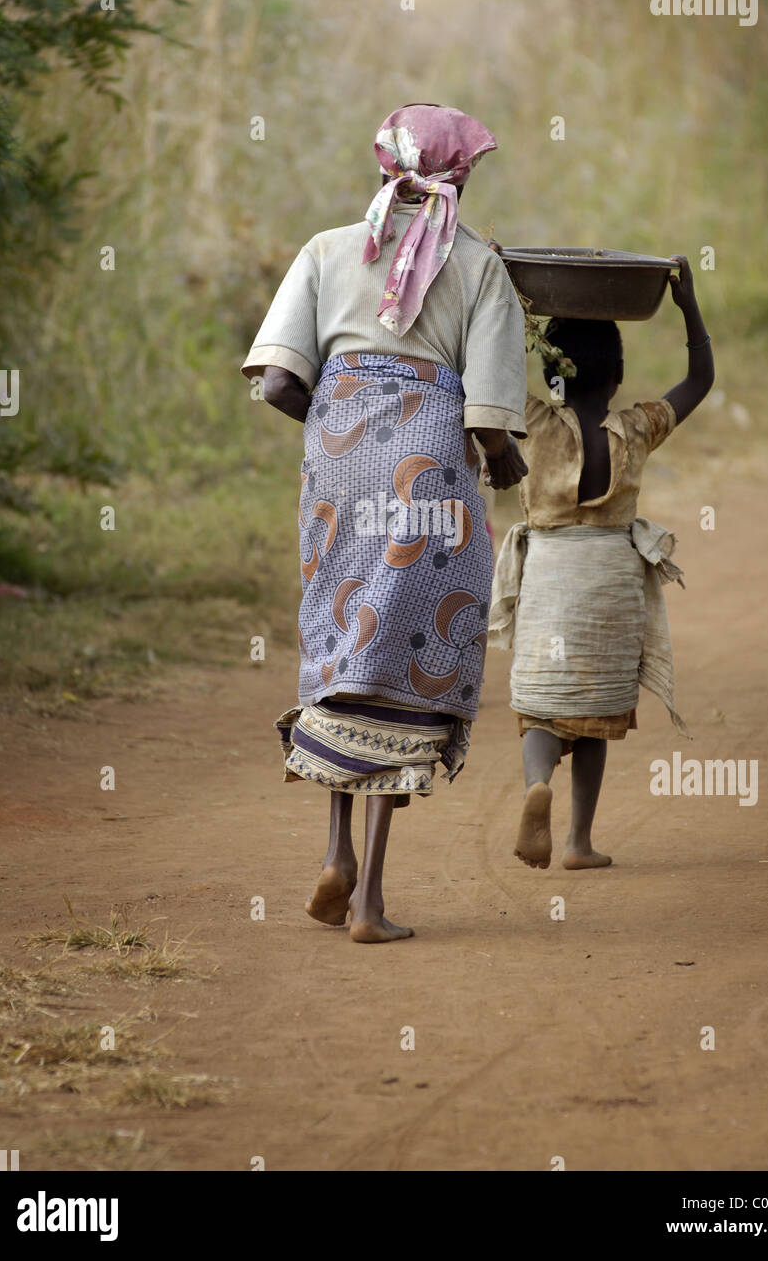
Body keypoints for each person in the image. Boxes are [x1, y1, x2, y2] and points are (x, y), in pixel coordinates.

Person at [242, 103, 528, 941]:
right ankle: (368, 900)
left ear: (382, 165)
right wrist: (503, 459)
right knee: (403, 654)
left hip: (338, 455)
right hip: (430, 463)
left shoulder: (327, 250)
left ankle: (334, 855)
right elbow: (488, 419)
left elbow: (276, 384)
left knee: (342, 637)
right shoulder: (480, 267)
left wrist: (345, 432)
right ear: (462, 177)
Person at [489, 256, 714, 871]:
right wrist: (687, 305)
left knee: (542, 703)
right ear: (617, 374)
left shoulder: (531, 420)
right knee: (598, 708)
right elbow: (699, 380)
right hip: (610, 579)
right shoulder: (637, 426)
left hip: (551, 576)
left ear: (550, 373)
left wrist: (501, 298)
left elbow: (482, 374)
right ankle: (579, 843)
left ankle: (539, 784)